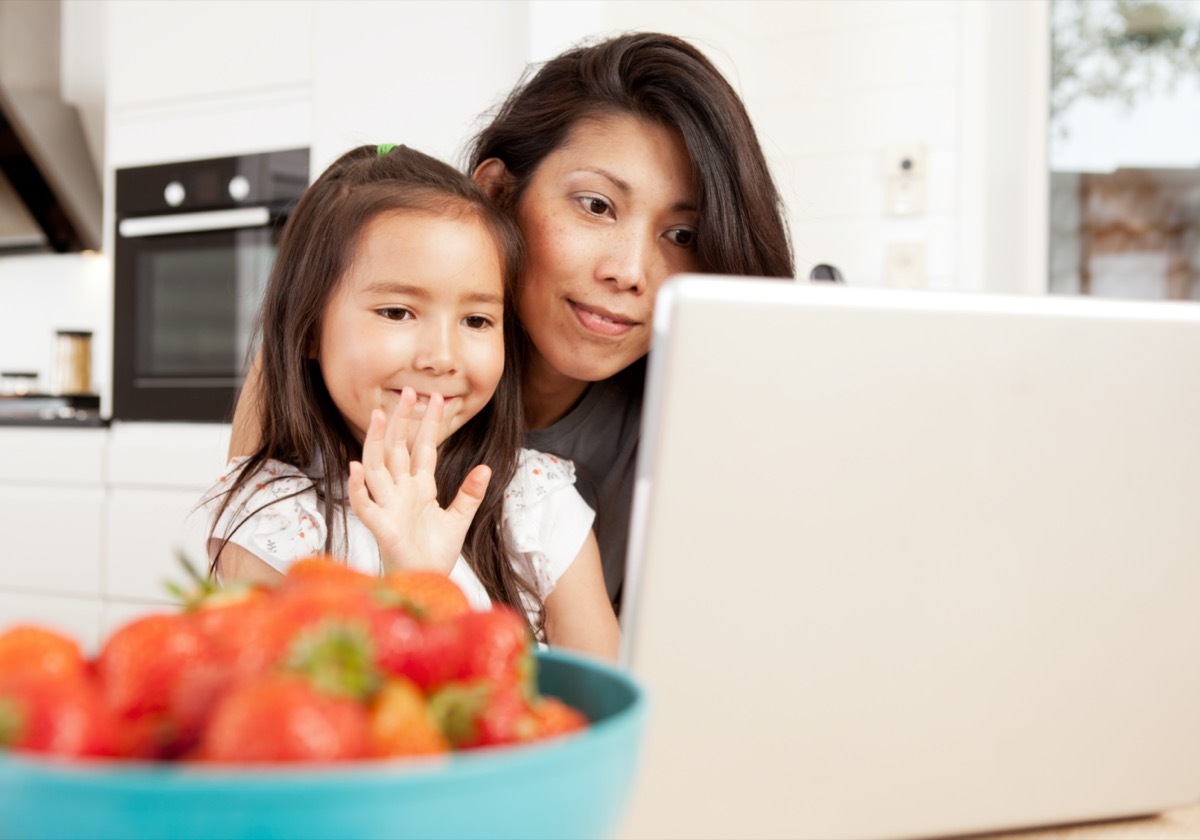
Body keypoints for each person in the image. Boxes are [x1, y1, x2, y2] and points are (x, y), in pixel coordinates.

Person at [229, 32, 795, 614]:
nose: (630, 272)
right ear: (498, 193)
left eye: (682, 236)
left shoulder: (701, 422)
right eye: (596, 205)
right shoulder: (326, 373)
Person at [205, 144, 620, 661]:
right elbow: (290, 720)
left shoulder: (535, 503)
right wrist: (413, 584)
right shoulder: (272, 521)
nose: (442, 357)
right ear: (308, 328)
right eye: (398, 312)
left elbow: (605, 707)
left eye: (476, 321)